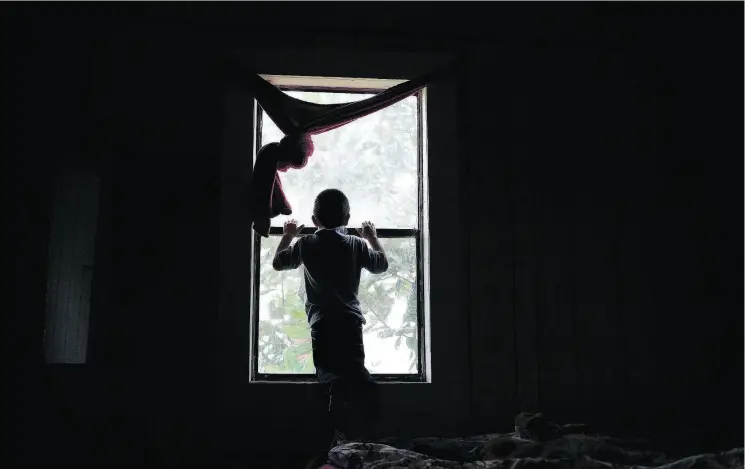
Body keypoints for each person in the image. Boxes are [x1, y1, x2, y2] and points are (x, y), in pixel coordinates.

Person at [272, 188, 388, 444]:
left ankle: (338, 426)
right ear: (347, 220)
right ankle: (369, 420)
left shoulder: (306, 244)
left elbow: (279, 263)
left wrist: (288, 236)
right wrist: (372, 237)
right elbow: (381, 264)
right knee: (355, 370)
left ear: (314, 220)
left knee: (329, 374)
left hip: (322, 323)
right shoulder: (356, 244)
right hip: (349, 321)